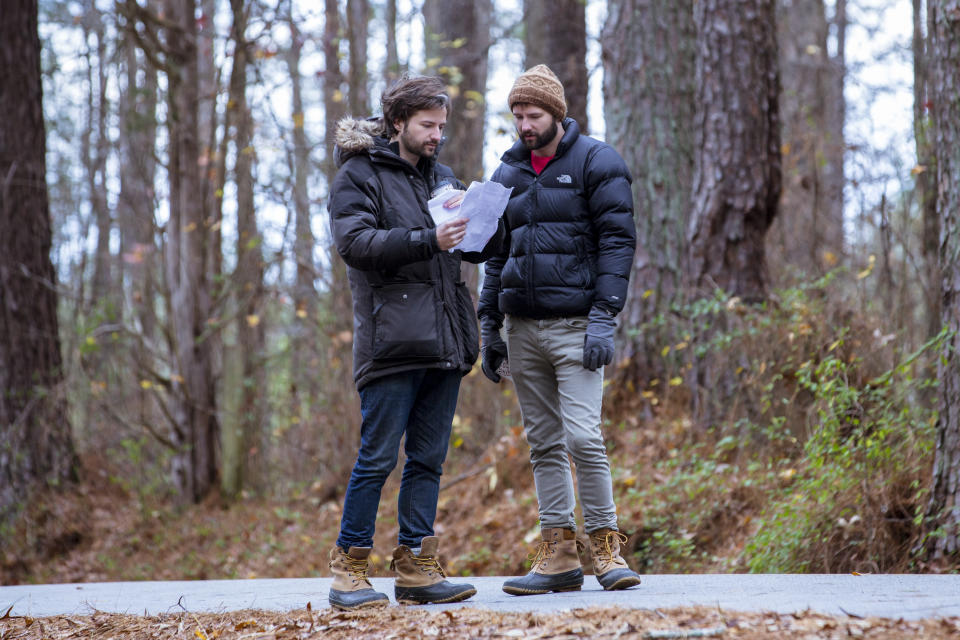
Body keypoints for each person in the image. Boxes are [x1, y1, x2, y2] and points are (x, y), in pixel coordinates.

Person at [327, 74, 501, 610]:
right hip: (392, 343)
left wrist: (483, 231)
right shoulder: (359, 174)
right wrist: (429, 238)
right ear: (398, 121)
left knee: (428, 459)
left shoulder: (440, 175)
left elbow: (455, 249)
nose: (436, 136)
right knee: (377, 459)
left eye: (441, 127)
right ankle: (349, 570)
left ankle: (416, 567)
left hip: (446, 339)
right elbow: (354, 243)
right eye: (428, 125)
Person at [478, 64, 642, 595]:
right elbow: (495, 256)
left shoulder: (597, 161)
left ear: (557, 114)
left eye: (534, 115)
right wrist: (489, 327)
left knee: (583, 437)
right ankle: (558, 554)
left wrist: (603, 318)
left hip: (577, 325)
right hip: (522, 328)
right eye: (518, 115)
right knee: (544, 443)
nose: (525, 125)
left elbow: (618, 244)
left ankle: (606, 547)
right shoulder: (506, 175)